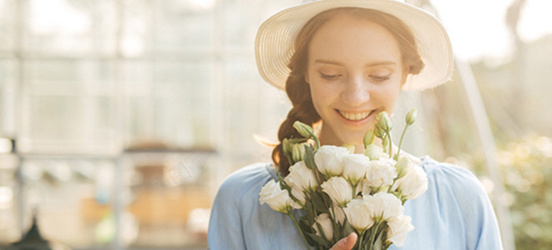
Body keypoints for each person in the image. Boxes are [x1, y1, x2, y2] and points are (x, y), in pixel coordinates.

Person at [208, 0, 503, 249]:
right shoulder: (244, 200)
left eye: (379, 75)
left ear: (404, 74)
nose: (356, 96)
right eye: (330, 74)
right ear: (306, 73)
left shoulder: (457, 198)